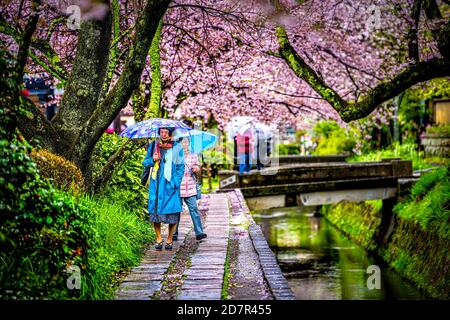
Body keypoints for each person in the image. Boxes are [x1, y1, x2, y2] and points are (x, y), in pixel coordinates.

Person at [142, 127, 185, 250]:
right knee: (155, 212)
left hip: (170, 184)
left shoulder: (177, 147)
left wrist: (175, 183)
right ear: (159, 133)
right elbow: (145, 163)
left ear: (170, 133)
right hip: (156, 184)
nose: (164, 134)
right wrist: (153, 159)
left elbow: (181, 167)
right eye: (162, 132)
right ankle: (159, 239)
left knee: (172, 212)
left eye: (166, 132)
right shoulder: (153, 146)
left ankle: (170, 239)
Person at [173, 137, 207, 241]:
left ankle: (199, 232)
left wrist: (196, 168)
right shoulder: (176, 155)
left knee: (194, 209)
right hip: (178, 186)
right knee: (176, 211)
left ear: (189, 143)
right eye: (182, 142)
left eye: (186, 142)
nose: (184, 144)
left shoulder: (193, 155)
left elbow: (197, 166)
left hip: (190, 185)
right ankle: (174, 234)